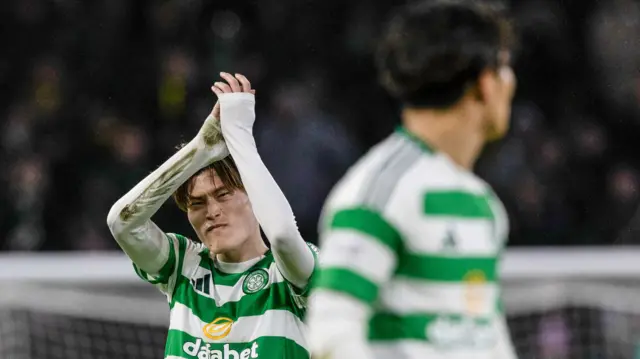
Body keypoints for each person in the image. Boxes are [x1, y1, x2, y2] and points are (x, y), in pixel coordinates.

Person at [306, 1, 518, 358]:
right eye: (505, 66)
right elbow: (331, 336)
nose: (512, 81)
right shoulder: (379, 193)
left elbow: (485, 334)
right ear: (485, 83)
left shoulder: (482, 204)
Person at [107, 72, 317, 359]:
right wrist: (201, 148)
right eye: (197, 203)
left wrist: (240, 135)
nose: (213, 212)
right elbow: (121, 222)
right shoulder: (184, 267)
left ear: (253, 195)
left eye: (224, 194)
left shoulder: (291, 275)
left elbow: (281, 234)